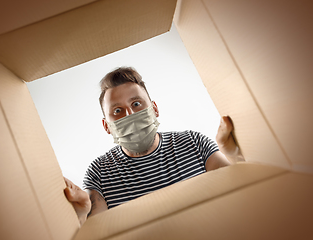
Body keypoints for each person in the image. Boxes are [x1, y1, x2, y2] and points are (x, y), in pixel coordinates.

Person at [64, 67, 244, 226]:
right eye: (118, 111)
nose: (130, 115)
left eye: (136, 104)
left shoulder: (194, 143)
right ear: (106, 126)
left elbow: (242, 194)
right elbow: (98, 232)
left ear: (154, 109)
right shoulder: (100, 172)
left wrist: (235, 155)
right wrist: (81, 219)